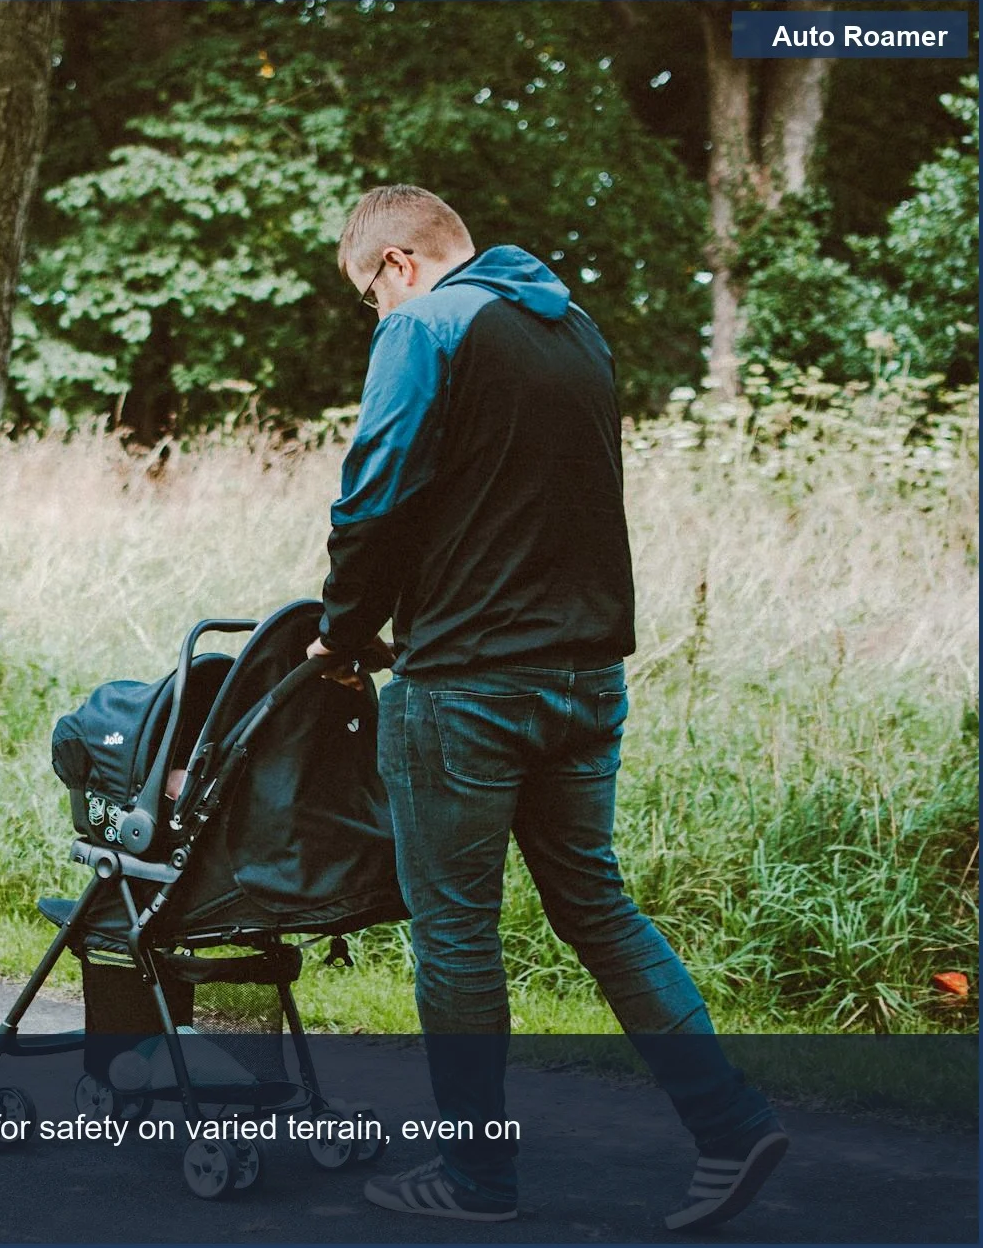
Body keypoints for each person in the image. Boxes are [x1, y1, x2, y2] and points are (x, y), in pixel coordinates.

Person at [304, 185, 787, 1231]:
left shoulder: (426, 324)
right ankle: (730, 1122)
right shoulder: (574, 331)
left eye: (366, 297)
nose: (374, 318)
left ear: (395, 263)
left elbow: (372, 492)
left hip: (468, 685)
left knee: (455, 935)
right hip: (585, 677)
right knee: (596, 908)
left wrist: (343, 635)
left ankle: (475, 1177)